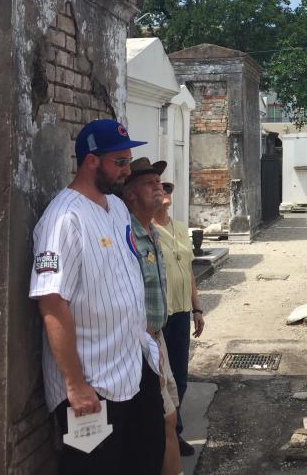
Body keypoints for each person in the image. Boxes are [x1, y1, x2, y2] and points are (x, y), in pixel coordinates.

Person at [29, 119, 165, 474]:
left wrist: (151, 356)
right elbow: (51, 303)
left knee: (145, 459)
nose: (125, 170)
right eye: (119, 162)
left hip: (133, 368)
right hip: (93, 384)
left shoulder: (117, 208)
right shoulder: (64, 219)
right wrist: (76, 386)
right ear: (91, 161)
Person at [122, 157, 184, 475]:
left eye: (158, 181)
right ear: (130, 194)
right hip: (140, 344)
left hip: (157, 339)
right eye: (149, 183)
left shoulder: (152, 230)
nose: (158, 187)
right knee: (160, 423)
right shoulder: (127, 234)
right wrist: (149, 351)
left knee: (170, 419)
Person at [153, 165, 206, 457]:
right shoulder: (145, 229)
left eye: (168, 188)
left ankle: (175, 431)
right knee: (164, 377)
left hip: (182, 311)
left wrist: (197, 308)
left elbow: (188, 272)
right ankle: (167, 434)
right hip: (161, 314)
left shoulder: (180, 228)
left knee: (181, 378)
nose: (165, 193)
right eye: (161, 189)